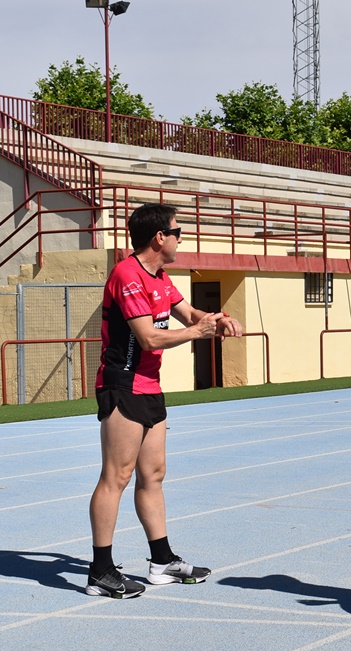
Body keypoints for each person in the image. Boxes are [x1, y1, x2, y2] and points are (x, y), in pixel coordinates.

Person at [86, 203, 243, 599]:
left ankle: (162, 561)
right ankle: (100, 571)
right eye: (177, 231)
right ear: (159, 237)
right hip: (122, 385)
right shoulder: (128, 274)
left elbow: (190, 314)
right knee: (116, 476)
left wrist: (218, 319)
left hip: (149, 386)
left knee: (153, 475)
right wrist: (199, 332)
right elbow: (149, 338)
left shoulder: (160, 278)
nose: (179, 238)